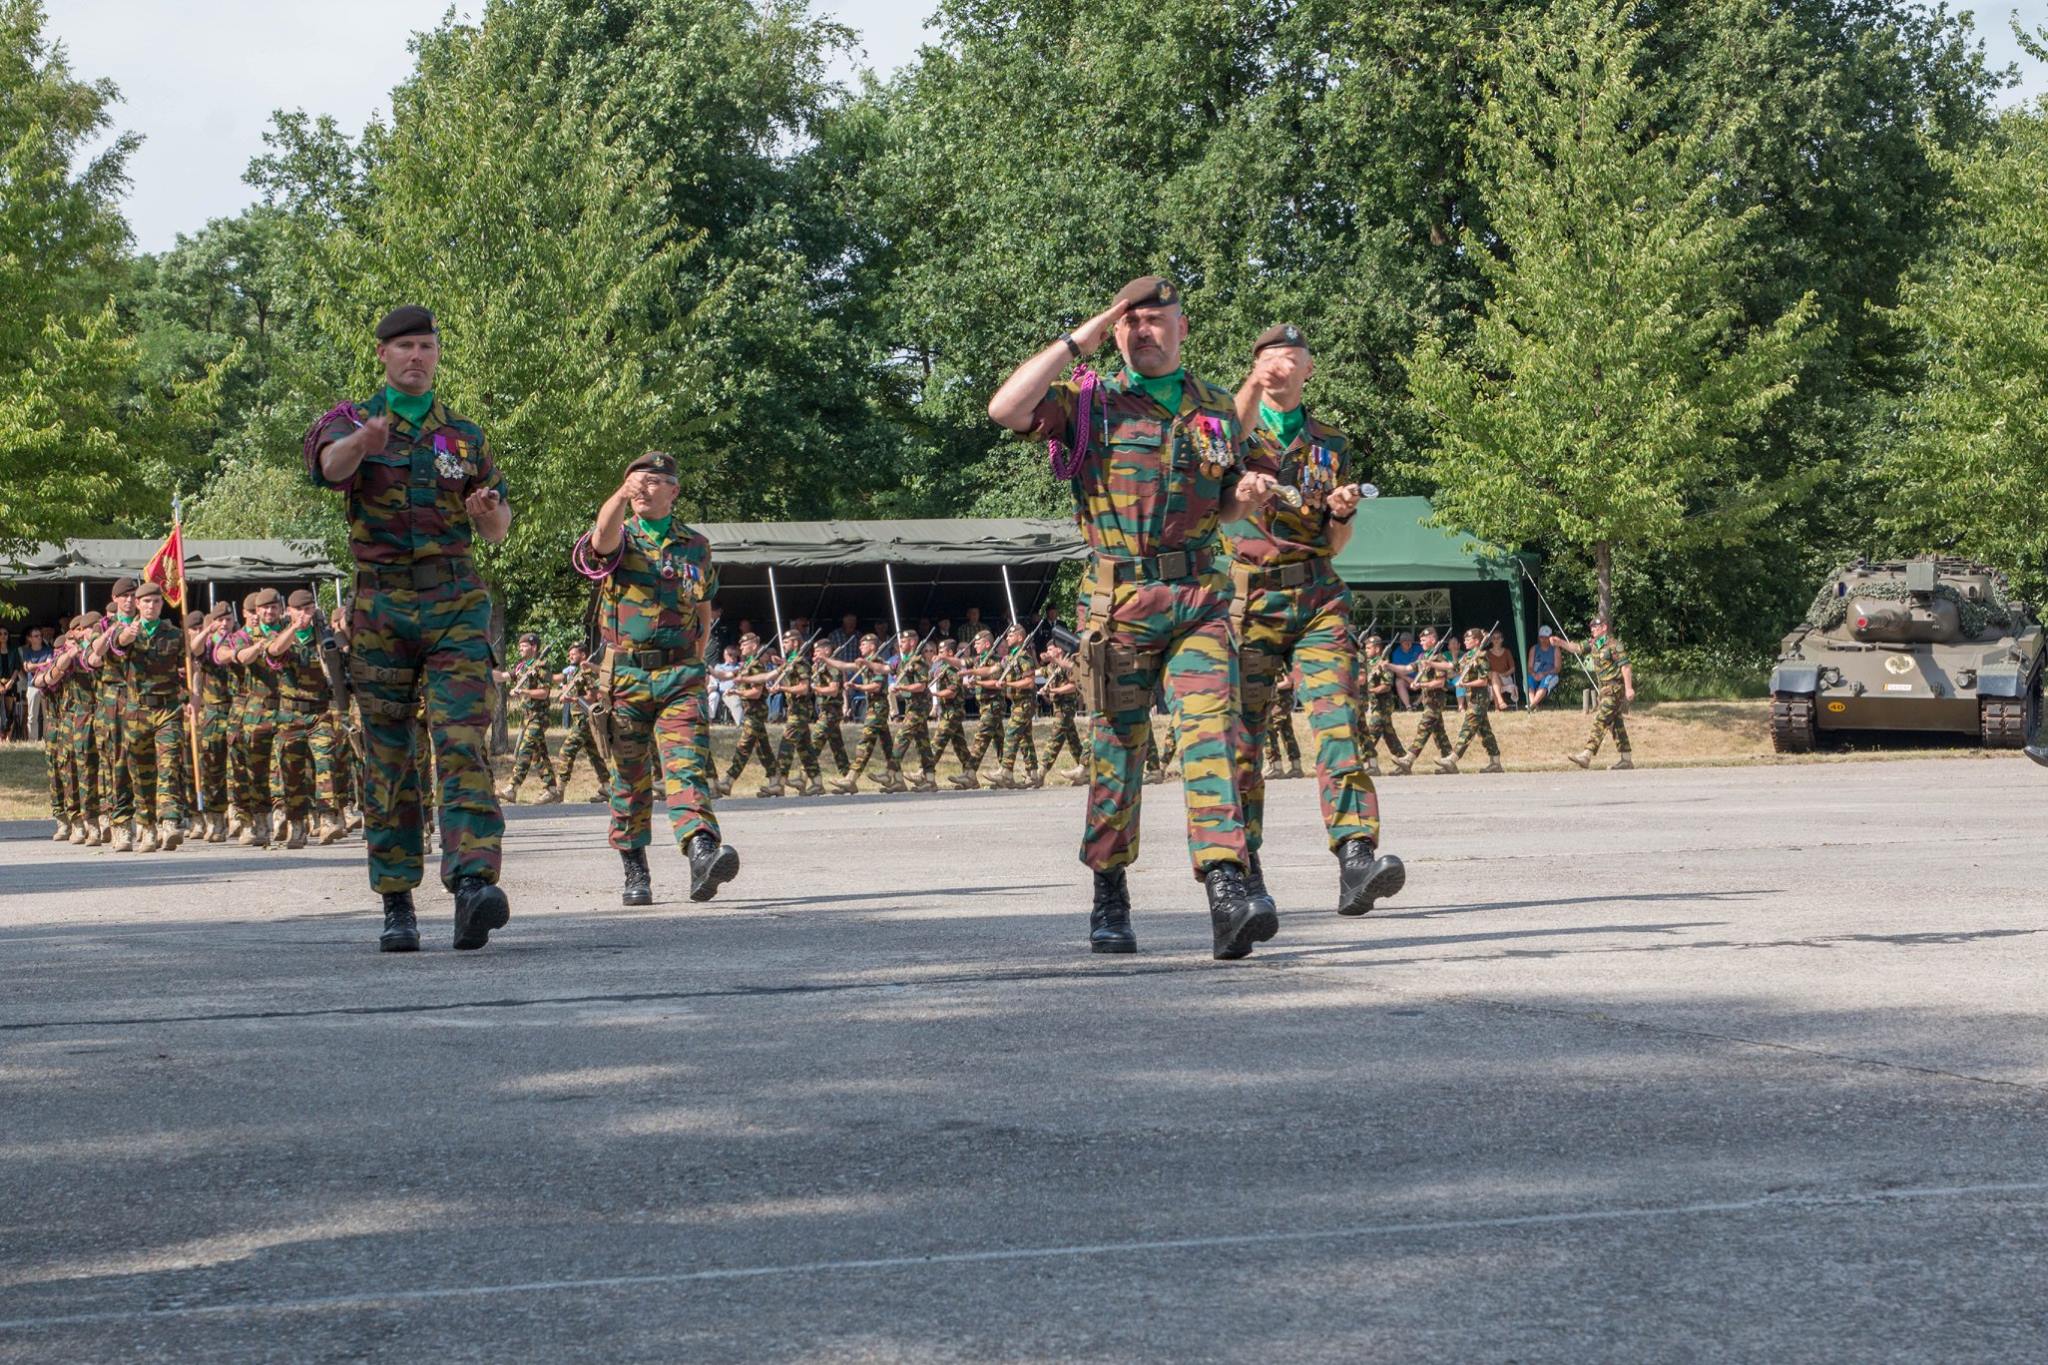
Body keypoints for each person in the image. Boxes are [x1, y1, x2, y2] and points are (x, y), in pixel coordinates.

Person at [989, 273, 1280, 958]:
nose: (1142, 330)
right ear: (1113, 329)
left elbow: (1223, 502)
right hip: (1119, 606)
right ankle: (1110, 892)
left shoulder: (1213, 406)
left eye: (1155, 319)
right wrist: (1078, 338)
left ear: (1183, 327)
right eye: (1129, 320)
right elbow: (1004, 409)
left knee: (1212, 733)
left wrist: (1246, 493)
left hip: (1199, 601)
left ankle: (1226, 889)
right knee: (1118, 753)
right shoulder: (1088, 400)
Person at [304, 304, 513, 952]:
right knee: (390, 753)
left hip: (455, 602)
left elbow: (499, 526)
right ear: (383, 355)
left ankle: (474, 883)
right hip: (383, 610)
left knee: (462, 739)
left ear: (437, 353)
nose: (416, 356)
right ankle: (397, 901)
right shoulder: (351, 422)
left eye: (426, 345)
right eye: (404, 347)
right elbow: (327, 469)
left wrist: (485, 511)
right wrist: (362, 445)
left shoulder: (465, 437)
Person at [1224, 321, 1403, 920]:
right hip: (1246, 602)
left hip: (1317, 596)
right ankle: (1244, 877)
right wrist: (1251, 382)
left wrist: (1341, 512)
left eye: (1292, 355)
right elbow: (1220, 458)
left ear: (1310, 369)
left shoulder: (1330, 440)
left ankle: (1356, 857)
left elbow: (1336, 542)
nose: (1281, 362)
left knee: (1338, 725)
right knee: (1242, 744)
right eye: (1270, 355)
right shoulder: (1231, 426)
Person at [572, 451, 741, 906]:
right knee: (629, 776)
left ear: (674, 490)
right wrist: (617, 496)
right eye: (634, 482)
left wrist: (698, 654)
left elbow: (703, 603)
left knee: (687, 765)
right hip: (625, 678)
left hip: (681, 674)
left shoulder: (695, 545)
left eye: (651, 481)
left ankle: (702, 852)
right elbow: (600, 541)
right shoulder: (622, 537)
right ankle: (635, 870)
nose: (642, 489)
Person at [261, 588, 328, 847]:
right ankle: (297, 824)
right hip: (290, 715)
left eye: (308, 608)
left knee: (326, 762)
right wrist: (294, 627)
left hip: (321, 711)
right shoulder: (281, 635)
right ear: (288, 611)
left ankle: (329, 817)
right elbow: (275, 651)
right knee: (291, 771)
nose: (304, 614)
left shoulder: (323, 635)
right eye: (299, 609)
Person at [824, 635, 906, 794]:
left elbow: (876, 686)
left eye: (864, 644)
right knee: (887, 746)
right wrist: (826, 659)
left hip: (878, 707)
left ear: (872, 646)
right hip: (873, 706)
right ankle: (898, 780)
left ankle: (851, 778)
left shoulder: (878, 663)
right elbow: (844, 665)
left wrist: (857, 686)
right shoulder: (864, 662)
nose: (860, 647)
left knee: (866, 741)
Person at [1559, 615, 1636, 770]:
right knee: (1616, 724)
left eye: (1596, 626)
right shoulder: (1594, 644)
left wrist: (1628, 688)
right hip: (1605, 689)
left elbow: (1625, 666)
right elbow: (1577, 648)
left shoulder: (1614, 645)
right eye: (1592, 627)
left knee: (1601, 719)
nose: (1593, 629)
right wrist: (1559, 642)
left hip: (1615, 688)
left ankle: (1587, 755)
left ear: (1604, 627)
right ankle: (1626, 759)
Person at [715, 634, 785, 797]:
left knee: (744, 746)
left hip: (755, 712)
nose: (741, 647)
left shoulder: (755, 667)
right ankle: (776, 782)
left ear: (754, 645)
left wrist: (736, 692)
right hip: (752, 712)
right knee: (763, 749)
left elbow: (755, 693)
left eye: (744, 644)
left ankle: (728, 781)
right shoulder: (749, 664)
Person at [497, 633, 562, 804]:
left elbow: (544, 693)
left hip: (539, 717)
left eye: (524, 645)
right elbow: (503, 676)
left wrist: (523, 692)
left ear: (534, 647)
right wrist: (483, 672)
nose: (520, 648)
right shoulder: (522, 667)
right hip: (527, 718)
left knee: (525, 750)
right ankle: (552, 789)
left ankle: (512, 788)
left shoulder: (543, 666)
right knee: (538, 754)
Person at [1392, 627, 1456, 775]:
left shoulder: (1438, 658)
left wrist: (1420, 685)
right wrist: (1389, 665)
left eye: (1424, 639)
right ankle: (1450, 764)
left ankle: (1408, 760)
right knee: (1439, 733)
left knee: (1424, 727)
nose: (1420, 641)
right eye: (1420, 639)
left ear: (1433, 640)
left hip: (1435, 699)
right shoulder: (1422, 657)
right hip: (1428, 699)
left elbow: (1439, 682)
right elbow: (1407, 668)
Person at [771, 626, 824, 796]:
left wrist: (783, 687)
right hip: (795, 709)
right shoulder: (792, 661)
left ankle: (779, 783)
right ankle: (816, 782)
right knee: (805, 749)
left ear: (795, 643)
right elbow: (781, 672)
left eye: (786, 642)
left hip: (800, 710)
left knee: (786, 745)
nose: (784, 645)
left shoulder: (801, 662)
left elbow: (803, 688)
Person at [555, 642, 612, 799]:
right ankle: (608, 787)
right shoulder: (575, 673)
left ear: (583, 655)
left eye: (574, 653)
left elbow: (591, 697)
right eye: (570, 654)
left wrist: (571, 698)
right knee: (594, 754)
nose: (570, 656)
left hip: (585, 718)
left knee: (566, 750)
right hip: (578, 718)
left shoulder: (588, 673)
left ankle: (559, 790)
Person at [890, 628, 940, 792]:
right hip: (912, 704)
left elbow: (921, 686)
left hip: (920, 705)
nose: (900, 644)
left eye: (903, 641)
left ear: (912, 642)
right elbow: (889, 670)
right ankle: (930, 780)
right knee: (923, 743)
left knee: (902, 736)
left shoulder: (918, 661)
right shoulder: (904, 661)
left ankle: (891, 772)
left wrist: (901, 687)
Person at [1451, 626, 1506, 773]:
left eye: (1468, 639)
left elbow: (1483, 681)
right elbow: (1456, 669)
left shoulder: (1481, 656)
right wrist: (1455, 655)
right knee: (1485, 732)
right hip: (1472, 697)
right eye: (1465, 639)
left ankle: (1452, 759)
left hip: (1480, 698)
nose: (1465, 642)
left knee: (1468, 728)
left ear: (1476, 641)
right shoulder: (1469, 656)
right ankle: (1495, 762)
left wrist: (1465, 684)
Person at [993, 623, 1042, 788]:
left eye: (1011, 635)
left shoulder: (1024, 658)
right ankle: (1033, 774)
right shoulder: (1009, 658)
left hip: (1025, 703)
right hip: (1016, 703)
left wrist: (1009, 684)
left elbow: (1029, 682)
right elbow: (993, 670)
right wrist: (973, 675)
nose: (1007, 638)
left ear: (1020, 637)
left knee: (1011, 734)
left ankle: (1005, 772)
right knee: (1025, 739)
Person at [1354, 633, 1409, 777]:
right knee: (1389, 736)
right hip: (1374, 704)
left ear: (1378, 649)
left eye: (1369, 648)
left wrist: (1369, 690)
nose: (1366, 650)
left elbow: (1386, 685)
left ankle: (1359, 762)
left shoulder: (1384, 663)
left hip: (1382, 705)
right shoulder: (1367, 663)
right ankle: (1404, 761)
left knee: (1370, 733)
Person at [1034, 641, 1086, 784]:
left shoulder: (1067, 664)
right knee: (1073, 741)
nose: (1048, 652)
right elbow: (1038, 672)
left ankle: (1041, 772)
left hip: (1066, 707)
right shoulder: (1051, 666)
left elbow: (1073, 686)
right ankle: (1086, 771)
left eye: (1051, 649)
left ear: (1059, 650)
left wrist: (1054, 691)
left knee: (1055, 739)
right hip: (1057, 707)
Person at [807, 639, 851, 774]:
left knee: (814, 743)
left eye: (818, 651)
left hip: (831, 711)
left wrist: (815, 689)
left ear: (827, 651)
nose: (815, 654)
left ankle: (807, 776)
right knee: (837, 746)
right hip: (823, 710)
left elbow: (834, 690)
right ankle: (847, 775)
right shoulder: (818, 667)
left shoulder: (833, 667)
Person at [1263, 671, 1301, 780]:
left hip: (1281, 702)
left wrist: (1268, 689)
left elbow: (1288, 682)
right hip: (1279, 701)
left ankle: (1276, 767)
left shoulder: (1280, 662)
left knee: (1270, 731)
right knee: (1287, 733)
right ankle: (1296, 767)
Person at [19, 626, 54, 741]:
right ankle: (32, 741)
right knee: (32, 716)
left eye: (40, 636)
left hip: (46, 686)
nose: (39, 638)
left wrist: (35, 666)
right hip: (32, 686)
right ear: (29, 639)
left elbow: (49, 666)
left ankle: (46, 740)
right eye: (36, 636)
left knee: (47, 716)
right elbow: (27, 668)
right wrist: (42, 664)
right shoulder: (27, 652)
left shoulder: (48, 650)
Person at [1526, 626, 1562, 709]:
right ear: (1539, 637)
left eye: (1546, 637)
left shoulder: (1555, 649)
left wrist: (1543, 674)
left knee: (1546, 680)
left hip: (1550, 674)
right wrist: (1534, 674)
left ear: (1550, 637)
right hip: (1536, 673)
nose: (1544, 640)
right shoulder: (1534, 649)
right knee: (1528, 679)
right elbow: (1530, 667)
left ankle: (1532, 705)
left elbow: (1557, 668)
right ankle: (1533, 704)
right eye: (1542, 637)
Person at [1388, 630, 1421, 709]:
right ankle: (1408, 706)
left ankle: (1416, 704)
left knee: (1430, 680)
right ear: (1401, 642)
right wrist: (1408, 679)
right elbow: (1397, 671)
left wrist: (1417, 679)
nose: (1407, 642)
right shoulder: (1396, 653)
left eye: (1409, 640)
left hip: (1420, 678)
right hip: (1406, 679)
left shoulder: (1418, 649)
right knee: (1398, 681)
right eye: (1404, 641)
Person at [1486, 630, 1519, 709]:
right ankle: (1500, 702)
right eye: (1494, 638)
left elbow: (1513, 668)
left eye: (1498, 638)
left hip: (1505, 677)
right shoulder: (1487, 653)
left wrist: (1504, 674)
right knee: (1494, 676)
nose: (1496, 640)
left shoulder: (1507, 652)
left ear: (1502, 639)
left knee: (1495, 681)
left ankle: (1497, 708)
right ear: (1491, 640)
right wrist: (1495, 676)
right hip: (1492, 678)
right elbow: (1486, 670)